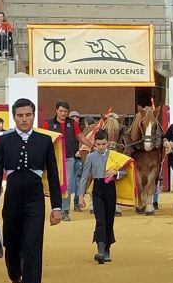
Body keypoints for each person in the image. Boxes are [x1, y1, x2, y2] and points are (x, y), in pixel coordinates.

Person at [0, 98, 63, 283]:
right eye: (20, 115)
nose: (24, 119)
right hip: (12, 197)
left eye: (28, 115)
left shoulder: (45, 141)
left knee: (33, 244)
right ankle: (16, 282)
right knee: (11, 244)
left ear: (33, 115)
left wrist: (57, 206)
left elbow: (53, 176)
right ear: (14, 117)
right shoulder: (4, 140)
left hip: (35, 198)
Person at [78, 130, 130, 264]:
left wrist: (116, 173)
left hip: (110, 190)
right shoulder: (91, 157)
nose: (101, 147)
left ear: (108, 143)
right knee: (100, 220)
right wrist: (81, 196)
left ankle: (107, 249)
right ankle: (100, 251)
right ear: (94, 144)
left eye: (103, 144)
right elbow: (85, 176)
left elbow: (127, 171)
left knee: (109, 221)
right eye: (98, 144)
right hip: (98, 189)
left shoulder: (114, 156)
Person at [44, 101, 81, 221]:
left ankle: (64, 211)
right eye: (61, 111)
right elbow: (43, 139)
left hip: (69, 157)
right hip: (52, 158)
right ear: (56, 111)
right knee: (54, 183)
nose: (63, 113)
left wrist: (91, 145)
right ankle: (56, 208)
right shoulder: (48, 123)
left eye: (65, 111)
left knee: (68, 185)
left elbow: (79, 136)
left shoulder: (72, 123)